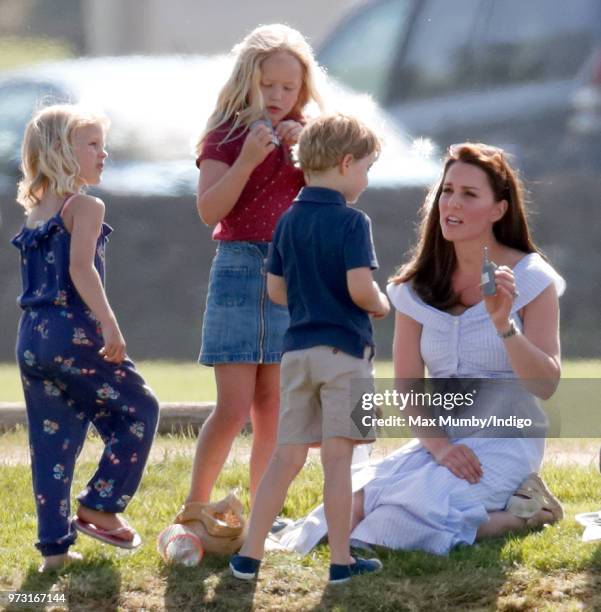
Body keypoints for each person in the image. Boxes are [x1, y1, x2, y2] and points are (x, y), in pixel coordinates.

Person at [279, 142, 565, 556]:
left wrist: (504, 325)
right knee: (351, 510)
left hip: (506, 438)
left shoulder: (532, 278)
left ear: (498, 210)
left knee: (398, 523)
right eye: (448, 190)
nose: (452, 202)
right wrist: (440, 447)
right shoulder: (415, 287)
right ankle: (484, 503)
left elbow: (546, 384)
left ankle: (529, 512)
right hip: (443, 438)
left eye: (470, 194)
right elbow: (408, 384)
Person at [229, 114, 389, 584]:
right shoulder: (353, 221)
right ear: (345, 163)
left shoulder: (287, 221)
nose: (365, 178)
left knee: (287, 457)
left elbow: (277, 291)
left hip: (295, 354)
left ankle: (249, 556)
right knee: (338, 461)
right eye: (366, 167)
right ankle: (341, 560)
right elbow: (361, 288)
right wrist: (379, 303)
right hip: (345, 352)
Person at [12, 104, 159, 572]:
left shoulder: (37, 211)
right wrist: (110, 325)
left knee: (51, 442)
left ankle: (54, 553)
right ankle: (101, 503)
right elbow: (80, 270)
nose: (104, 153)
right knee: (140, 409)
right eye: (92, 144)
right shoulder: (87, 206)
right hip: (73, 332)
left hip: (32, 338)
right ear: (60, 151)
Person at [185, 24, 325, 509]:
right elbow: (209, 210)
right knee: (233, 405)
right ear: (247, 80)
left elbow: (338, 192)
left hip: (291, 274)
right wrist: (246, 160)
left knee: (276, 406)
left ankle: (264, 508)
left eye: (289, 87)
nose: (278, 96)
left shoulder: (309, 137)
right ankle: (196, 506)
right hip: (239, 269)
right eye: (268, 85)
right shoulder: (224, 136)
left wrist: (308, 151)